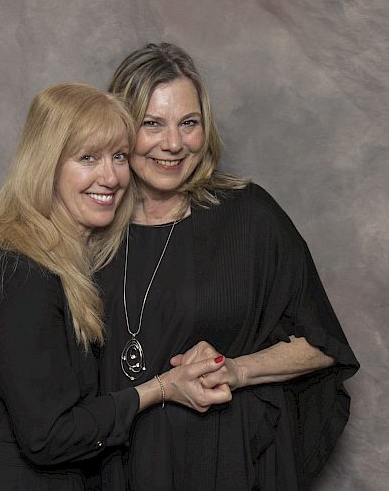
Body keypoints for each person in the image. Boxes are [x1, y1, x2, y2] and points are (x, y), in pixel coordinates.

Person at [0, 83, 232, 491]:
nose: (110, 177)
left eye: (117, 156)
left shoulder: (67, 264)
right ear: (46, 166)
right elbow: (49, 436)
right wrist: (161, 389)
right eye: (87, 158)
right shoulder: (20, 272)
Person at [97, 43, 360, 490]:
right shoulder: (91, 223)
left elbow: (322, 344)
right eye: (152, 124)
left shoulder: (249, 216)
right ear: (120, 130)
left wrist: (235, 369)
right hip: (118, 463)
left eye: (189, 123)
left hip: (224, 461)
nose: (174, 144)